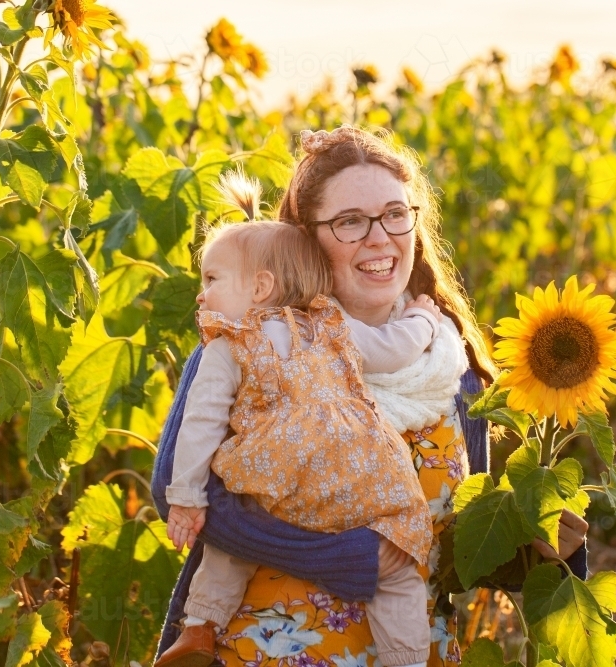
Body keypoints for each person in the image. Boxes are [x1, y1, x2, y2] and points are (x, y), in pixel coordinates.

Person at [152, 126, 590, 667]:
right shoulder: (254, 345)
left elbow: (451, 551)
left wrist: (544, 547)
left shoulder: (453, 374)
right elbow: (183, 496)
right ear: (306, 240)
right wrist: (350, 558)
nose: (379, 238)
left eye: (394, 214)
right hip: (262, 651)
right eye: (350, 222)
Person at [155, 206, 445, 667]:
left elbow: (201, 422)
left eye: (211, 280)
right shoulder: (330, 326)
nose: (200, 295)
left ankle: (201, 627)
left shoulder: (229, 343)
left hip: (277, 468)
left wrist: (186, 496)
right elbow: (392, 349)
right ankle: (407, 659)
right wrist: (426, 321)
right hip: (359, 472)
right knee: (398, 567)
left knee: (235, 531)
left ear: (260, 288)